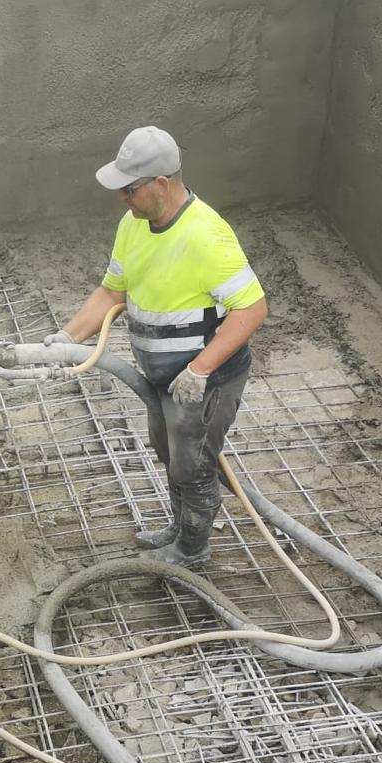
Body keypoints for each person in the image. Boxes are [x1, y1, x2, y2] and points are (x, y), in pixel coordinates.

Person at [51, 126, 268, 568]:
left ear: (162, 184)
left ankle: (192, 548)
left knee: (194, 464)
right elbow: (112, 293)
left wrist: (201, 369)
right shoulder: (133, 227)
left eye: (129, 189)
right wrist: (68, 338)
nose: (123, 198)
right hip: (161, 378)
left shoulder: (207, 236)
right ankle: (178, 528)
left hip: (205, 380)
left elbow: (252, 309)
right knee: (171, 456)